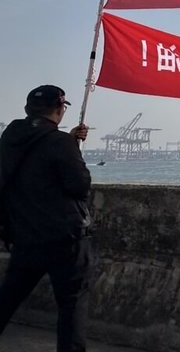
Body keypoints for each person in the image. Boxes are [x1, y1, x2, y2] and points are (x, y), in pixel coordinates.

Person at [0, 85, 92, 352]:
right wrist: (70, 146)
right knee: (72, 304)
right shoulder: (59, 142)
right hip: (66, 238)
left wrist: (67, 141)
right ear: (60, 109)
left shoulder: (10, 138)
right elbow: (79, 185)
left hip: (25, 236)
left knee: (8, 297)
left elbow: (32, 160)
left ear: (28, 109)